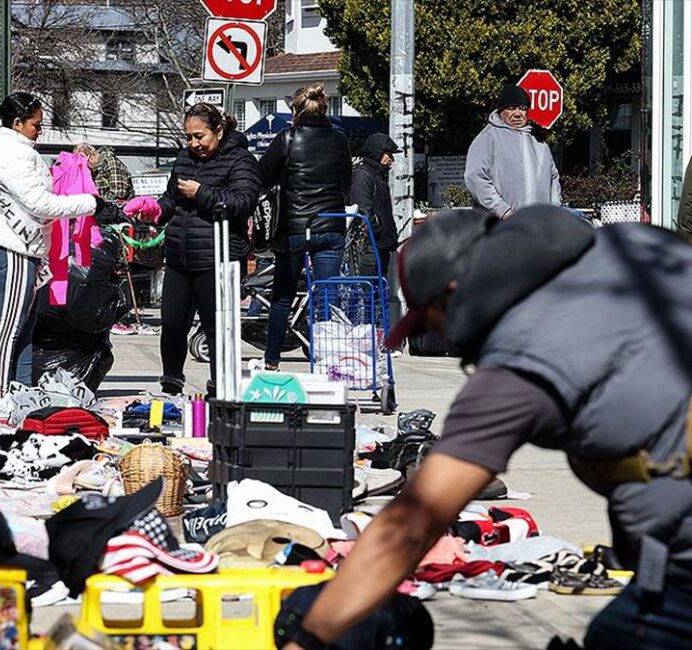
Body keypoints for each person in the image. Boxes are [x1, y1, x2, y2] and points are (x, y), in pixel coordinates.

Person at [278, 206, 692, 650]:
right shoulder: (635, 246)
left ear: (453, 294)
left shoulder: (522, 365)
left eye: (429, 322)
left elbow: (411, 525)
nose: (442, 339)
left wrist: (308, 637)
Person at [0, 92, 106, 417]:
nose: (40, 131)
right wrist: (91, 203)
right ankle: (2, 395)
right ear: (17, 123)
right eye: (36, 125)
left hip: (26, 248)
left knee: (26, 327)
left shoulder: (16, 149)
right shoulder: (11, 153)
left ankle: (23, 392)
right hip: (15, 248)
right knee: (11, 327)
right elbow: (40, 204)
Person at [128, 102, 260, 396]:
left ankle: (219, 387)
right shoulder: (184, 159)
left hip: (217, 256)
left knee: (216, 327)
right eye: (188, 137)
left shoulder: (241, 160)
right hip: (179, 255)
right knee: (173, 325)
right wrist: (154, 210)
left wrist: (201, 193)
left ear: (219, 131)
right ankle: (171, 384)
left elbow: (243, 202)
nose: (193, 143)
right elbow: (170, 199)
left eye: (199, 136)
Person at [258, 83, 352, 371]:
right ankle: (326, 361)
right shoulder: (340, 140)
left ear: (295, 111)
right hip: (332, 226)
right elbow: (346, 184)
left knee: (283, 296)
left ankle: (272, 359)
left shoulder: (287, 138)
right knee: (327, 297)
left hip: (296, 229)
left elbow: (261, 176)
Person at [464, 84, 561, 218]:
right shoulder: (488, 138)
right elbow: (475, 177)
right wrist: (502, 210)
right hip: (503, 227)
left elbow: (553, 177)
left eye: (522, 109)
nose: (517, 114)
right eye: (511, 108)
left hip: (539, 225)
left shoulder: (538, 140)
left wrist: (554, 209)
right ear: (500, 111)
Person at [347, 133, 400, 277]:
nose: (392, 159)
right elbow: (363, 211)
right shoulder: (363, 176)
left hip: (380, 246)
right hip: (370, 247)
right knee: (370, 293)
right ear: (377, 153)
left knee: (379, 293)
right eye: (388, 154)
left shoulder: (377, 176)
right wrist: (377, 233)